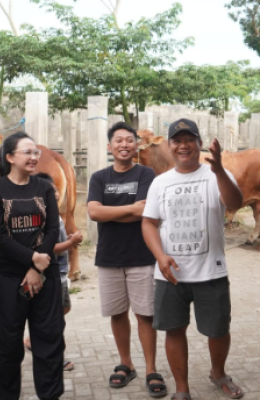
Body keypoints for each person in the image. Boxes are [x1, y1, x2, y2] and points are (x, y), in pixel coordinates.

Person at [142, 118, 245, 400]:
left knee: (218, 330)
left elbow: (235, 203)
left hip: (210, 272)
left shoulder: (215, 175)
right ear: (169, 146)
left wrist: (221, 170)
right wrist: (160, 257)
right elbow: (149, 223)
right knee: (174, 330)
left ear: (199, 143)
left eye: (189, 139)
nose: (183, 145)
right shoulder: (160, 183)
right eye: (177, 140)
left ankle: (218, 373)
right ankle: (182, 389)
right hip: (170, 274)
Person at [87, 122, 167, 396]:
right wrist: (131, 207)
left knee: (145, 314)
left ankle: (151, 369)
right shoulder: (99, 177)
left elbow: (146, 213)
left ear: (136, 146)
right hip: (108, 257)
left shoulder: (147, 174)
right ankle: (126, 363)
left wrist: (113, 210)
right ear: (109, 147)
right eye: (118, 140)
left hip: (141, 255)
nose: (124, 144)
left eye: (129, 140)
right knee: (117, 313)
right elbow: (93, 213)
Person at [0, 131, 64, 400]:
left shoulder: (43, 187)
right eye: (27, 152)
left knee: (49, 341)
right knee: (6, 345)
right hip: (8, 277)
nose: (33, 157)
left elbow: (53, 228)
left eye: (35, 153)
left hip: (46, 275)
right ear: (9, 157)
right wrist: (32, 259)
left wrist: (37, 267)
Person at [23, 172, 83, 372]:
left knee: (62, 311)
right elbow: (47, 248)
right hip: (49, 274)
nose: (56, 194)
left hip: (61, 273)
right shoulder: (40, 216)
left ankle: (35, 341)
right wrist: (71, 243)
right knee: (53, 318)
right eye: (51, 191)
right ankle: (55, 356)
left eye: (56, 190)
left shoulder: (54, 214)